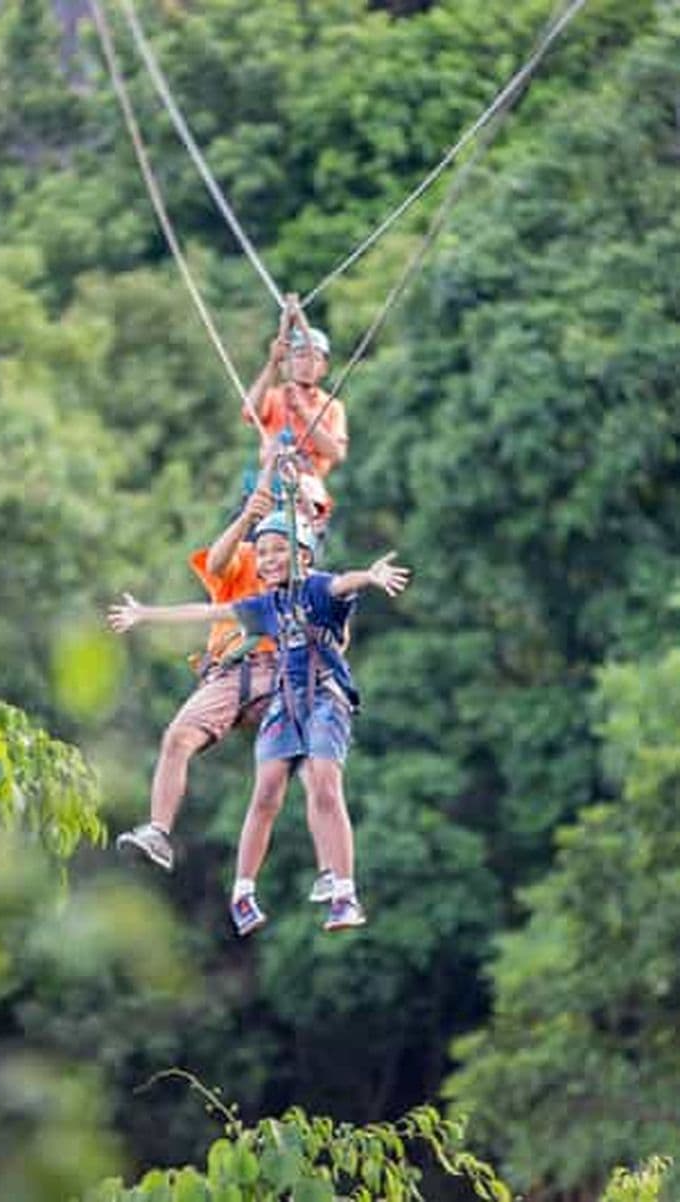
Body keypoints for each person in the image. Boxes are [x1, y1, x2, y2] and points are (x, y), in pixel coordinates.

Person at [108, 512, 410, 935]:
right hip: (286, 701)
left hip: (324, 697)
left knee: (323, 780)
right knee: (266, 790)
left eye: (276, 552)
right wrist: (146, 614)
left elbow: (344, 583)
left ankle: (343, 891)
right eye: (262, 553)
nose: (265, 561)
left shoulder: (318, 588)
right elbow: (209, 611)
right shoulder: (266, 607)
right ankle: (243, 893)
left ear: (302, 556)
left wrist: (372, 576)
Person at [113, 481, 333, 899]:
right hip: (232, 671)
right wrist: (250, 516)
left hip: (285, 672)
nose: (270, 557)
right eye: (301, 506)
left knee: (307, 771)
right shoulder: (252, 558)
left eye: (314, 510)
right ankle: (159, 831)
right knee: (178, 737)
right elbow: (214, 578)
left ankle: (329, 869)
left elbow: (335, 637)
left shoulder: (316, 582)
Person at [244, 296, 347, 529]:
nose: (307, 363)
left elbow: (336, 453)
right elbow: (251, 412)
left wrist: (303, 412)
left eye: (315, 358)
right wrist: (272, 363)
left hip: (308, 488)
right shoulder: (274, 396)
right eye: (299, 356)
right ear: (286, 363)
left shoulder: (331, 406)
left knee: (303, 541)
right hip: (271, 482)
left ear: (324, 367)